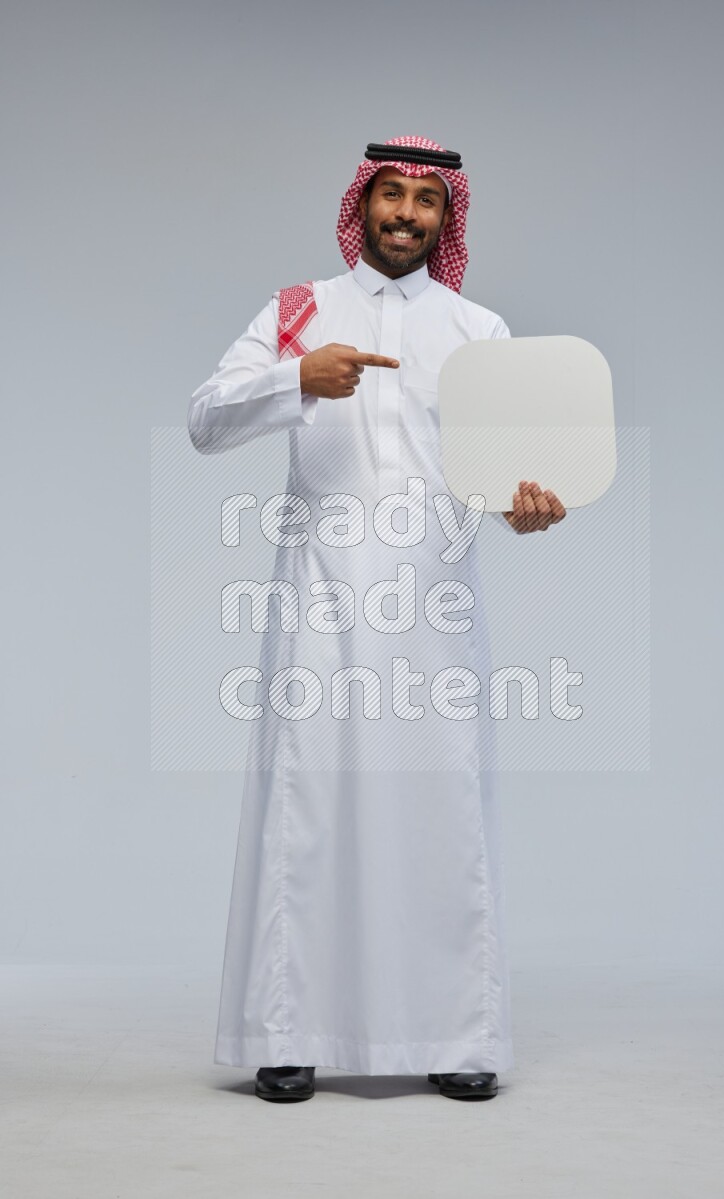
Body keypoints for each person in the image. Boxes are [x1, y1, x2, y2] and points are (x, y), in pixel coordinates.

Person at [187, 135, 566, 1103]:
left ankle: (456, 1033)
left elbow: (506, 477)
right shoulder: (298, 311)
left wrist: (530, 504)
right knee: (307, 809)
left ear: (447, 218)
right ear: (360, 205)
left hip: (434, 610)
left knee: (441, 810)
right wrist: (292, 379)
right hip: (318, 600)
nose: (404, 214)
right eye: (388, 195)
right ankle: (288, 1029)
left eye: (423, 201)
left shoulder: (480, 329)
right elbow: (204, 419)